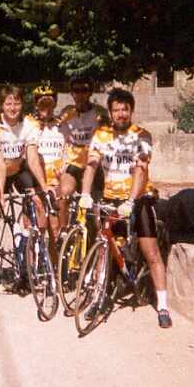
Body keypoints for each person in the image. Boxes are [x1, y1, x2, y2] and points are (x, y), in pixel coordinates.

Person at [79, 88, 172, 329]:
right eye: (116, 109)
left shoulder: (142, 135)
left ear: (131, 111)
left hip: (137, 199)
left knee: (150, 251)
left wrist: (132, 200)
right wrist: (86, 194)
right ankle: (99, 295)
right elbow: (91, 165)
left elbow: (140, 167)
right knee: (103, 246)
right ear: (110, 112)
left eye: (125, 109)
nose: (121, 113)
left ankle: (162, 305)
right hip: (110, 197)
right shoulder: (101, 134)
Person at [0, 85, 43, 272]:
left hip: (17, 170)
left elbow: (32, 158)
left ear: (22, 105)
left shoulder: (29, 123)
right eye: (8, 104)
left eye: (17, 103)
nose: (13, 108)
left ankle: (30, 262)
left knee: (37, 203)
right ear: (1, 105)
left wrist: (44, 185)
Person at [57, 77, 109, 227]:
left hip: (93, 164)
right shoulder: (67, 112)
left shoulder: (99, 112)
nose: (80, 94)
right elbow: (59, 133)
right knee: (64, 194)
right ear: (72, 93)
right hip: (74, 163)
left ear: (90, 93)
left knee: (94, 209)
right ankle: (63, 232)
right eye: (76, 91)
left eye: (84, 90)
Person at [28, 84, 66, 243]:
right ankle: (31, 266)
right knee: (37, 229)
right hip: (36, 183)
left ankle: (54, 267)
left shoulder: (62, 126)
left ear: (55, 104)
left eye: (50, 105)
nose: (46, 109)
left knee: (56, 230)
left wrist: (64, 168)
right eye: (42, 105)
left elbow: (67, 150)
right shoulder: (28, 124)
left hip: (57, 183)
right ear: (36, 105)